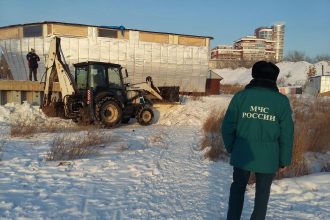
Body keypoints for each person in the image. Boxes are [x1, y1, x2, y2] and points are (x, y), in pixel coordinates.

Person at [221, 61, 294, 220]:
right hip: (269, 157)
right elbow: (287, 133)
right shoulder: (281, 101)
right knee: (262, 195)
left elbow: (227, 127)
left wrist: (233, 148)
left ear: (254, 75)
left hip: (242, 152)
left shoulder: (241, 97)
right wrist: (284, 160)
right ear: (274, 78)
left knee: (237, 191)